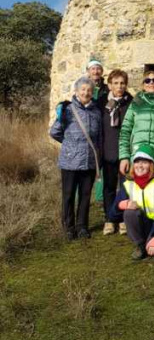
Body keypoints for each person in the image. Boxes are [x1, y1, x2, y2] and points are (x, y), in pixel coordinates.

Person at [50, 76, 102, 240]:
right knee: (68, 195)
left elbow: (99, 136)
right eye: (83, 90)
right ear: (77, 91)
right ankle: (69, 227)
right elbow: (54, 132)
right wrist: (69, 145)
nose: (86, 92)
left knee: (85, 195)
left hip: (89, 162)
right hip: (70, 162)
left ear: (92, 92)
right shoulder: (67, 109)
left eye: (89, 90)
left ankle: (82, 227)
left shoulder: (96, 111)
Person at [111, 143, 154, 261]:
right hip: (142, 224)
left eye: (145, 162)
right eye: (137, 161)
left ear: (152, 165)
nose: (140, 165)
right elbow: (112, 216)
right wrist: (121, 205)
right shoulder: (128, 184)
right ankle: (140, 245)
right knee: (129, 213)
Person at [99, 69, 132, 235]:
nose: (119, 86)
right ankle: (109, 219)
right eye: (116, 83)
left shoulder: (131, 103)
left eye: (122, 83)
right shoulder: (102, 104)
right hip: (108, 151)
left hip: (125, 153)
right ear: (110, 85)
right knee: (109, 187)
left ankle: (123, 219)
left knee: (125, 188)